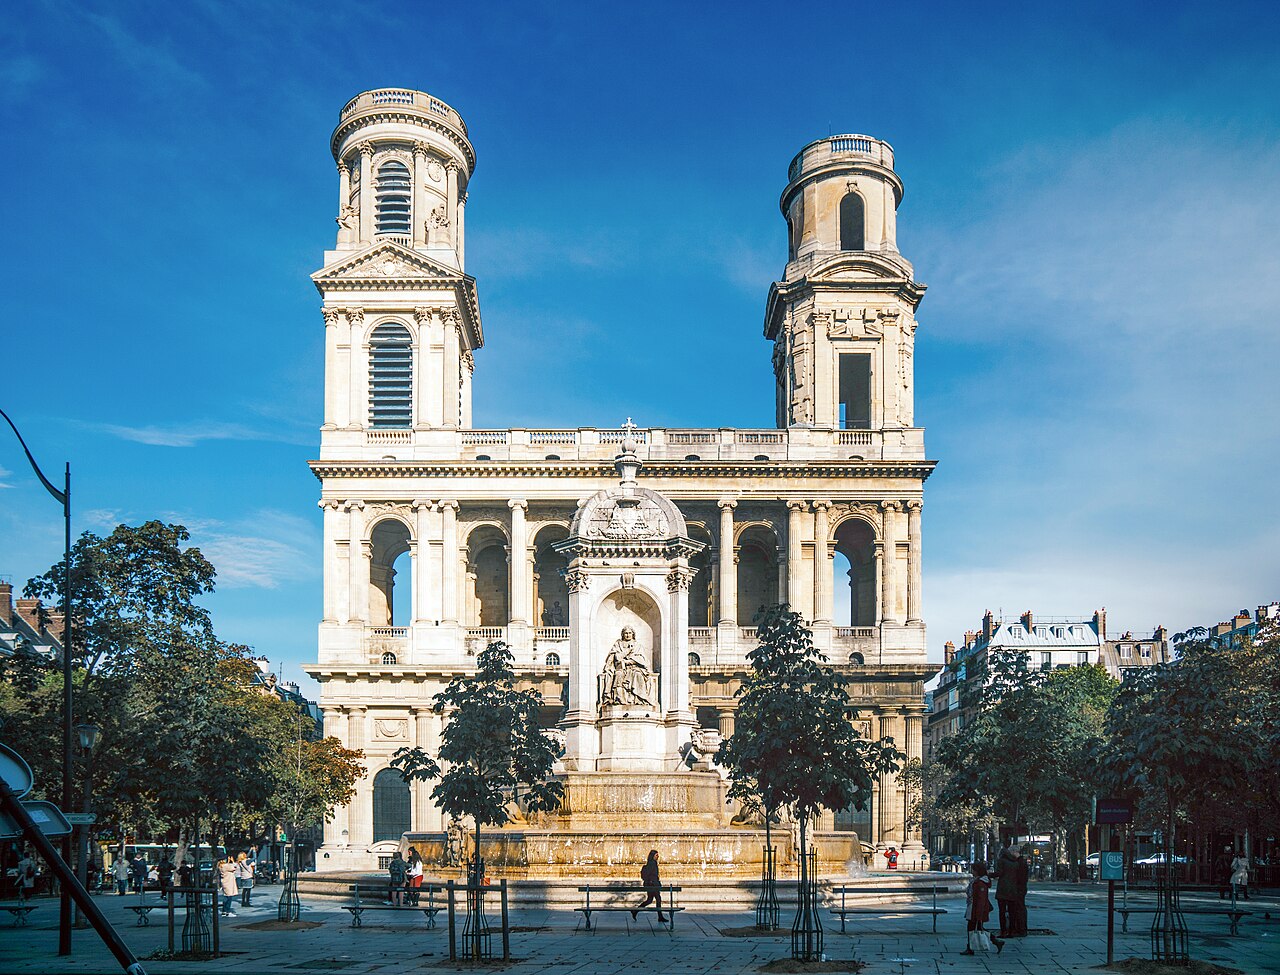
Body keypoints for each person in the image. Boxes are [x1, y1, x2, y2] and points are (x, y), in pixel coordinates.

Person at [960, 861, 1003, 955]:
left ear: (977, 871)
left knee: (972, 928)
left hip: (975, 909)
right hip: (972, 907)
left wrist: (979, 914)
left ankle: (970, 948)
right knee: (978, 928)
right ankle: (996, 941)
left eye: (973, 869)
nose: (972, 871)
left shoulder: (980, 883)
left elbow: (981, 899)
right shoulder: (977, 880)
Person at [630, 850, 667, 923]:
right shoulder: (652, 863)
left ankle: (635, 911)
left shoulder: (650, 863)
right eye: (656, 855)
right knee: (658, 899)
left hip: (651, 884)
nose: (658, 856)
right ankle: (660, 917)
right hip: (653, 885)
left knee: (650, 900)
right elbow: (651, 875)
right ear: (653, 856)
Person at [993, 843, 1019, 937]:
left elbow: (999, 873)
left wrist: (989, 874)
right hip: (1013, 890)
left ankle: (1003, 931)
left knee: (1002, 911)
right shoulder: (1015, 862)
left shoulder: (1002, 861)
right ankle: (1011, 931)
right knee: (1012, 912)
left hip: (1003, 889)